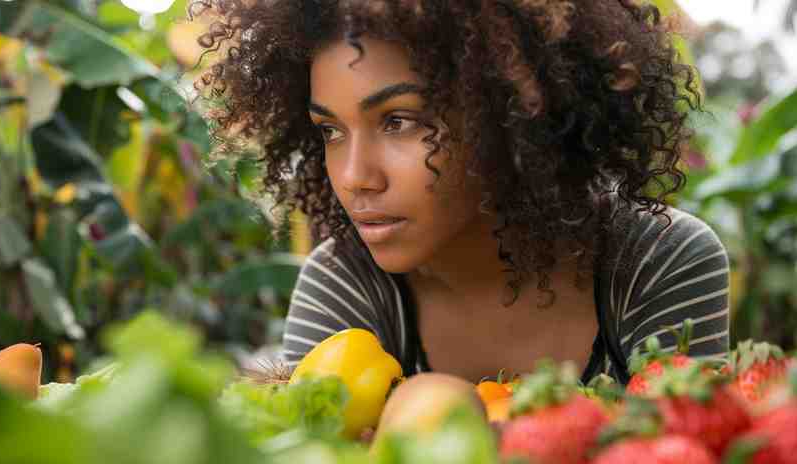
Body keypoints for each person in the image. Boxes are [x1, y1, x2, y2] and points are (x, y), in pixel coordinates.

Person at [190, 0, 730, 385]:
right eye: (330, 131)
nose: (355, 175)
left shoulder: (656, 262)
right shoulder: (349, 283)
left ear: (512, 113)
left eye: (399, 121)